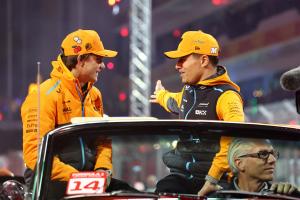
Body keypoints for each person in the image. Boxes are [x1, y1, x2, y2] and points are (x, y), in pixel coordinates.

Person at [21, 29, 136, 199]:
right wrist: (79, 179)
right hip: (52, 184)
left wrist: (103, 170)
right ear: (81, 59)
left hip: (87, 183)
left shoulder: (95, 95)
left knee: (132, 194)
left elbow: (103, 140)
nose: (103, 66)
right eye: (98, 59)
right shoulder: (44, 95)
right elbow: (34, 155)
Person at [150, 30, 245, 196]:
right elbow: (174, 102)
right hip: (181, 178)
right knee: (164, 189)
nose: (177, 65)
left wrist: (212, 179)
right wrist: (161, 95)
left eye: (183, 59)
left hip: (216, 184)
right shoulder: (189, 91)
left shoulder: (227, 96)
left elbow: (233, 141)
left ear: (203, 60)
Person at [226, 138, 300, 197]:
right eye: (263, 154)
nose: (273, 160)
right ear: (240, 164)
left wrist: (295, 195)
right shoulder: (219, 195)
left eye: (273, 154)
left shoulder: (282, 195)